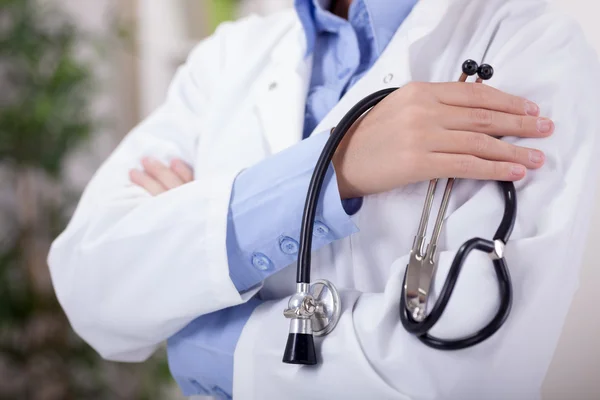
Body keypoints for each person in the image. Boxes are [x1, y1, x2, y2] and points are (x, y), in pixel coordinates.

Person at [48, 0, 600, 398]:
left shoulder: (528, 43)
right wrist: (331, 170)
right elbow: (89, 283)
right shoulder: (225, 58)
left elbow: (461, 373)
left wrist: (202, 334)